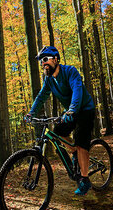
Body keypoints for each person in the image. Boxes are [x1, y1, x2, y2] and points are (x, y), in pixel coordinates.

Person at [26, 46, 95, 196]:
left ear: (56, 59)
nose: (43, 64)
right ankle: (74, 151)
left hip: (84, 109)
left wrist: (72, 109)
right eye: (41, 62)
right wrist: (31, 112)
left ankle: (85, 179)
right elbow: (41, 96)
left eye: (46, 59)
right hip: (69, 112)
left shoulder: (70, 71)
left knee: (81, 142)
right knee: (58, 132)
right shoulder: (49, 79)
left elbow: (77, 91)